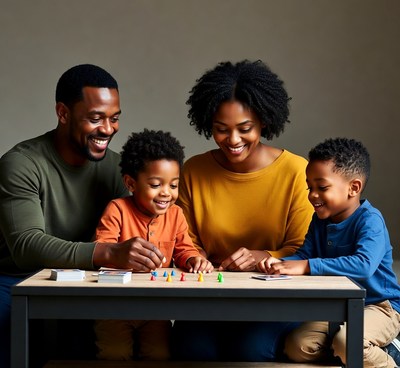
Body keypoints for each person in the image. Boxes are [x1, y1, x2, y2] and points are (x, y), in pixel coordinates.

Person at [0, 64, 165, 367]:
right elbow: (26, 247)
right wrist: (109, 252)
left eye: (114, 118)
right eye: (95, 118)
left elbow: (140, 227)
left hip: (88, 281)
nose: (108, 129)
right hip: (15, 280)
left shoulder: (118, 170)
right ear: (63, 113)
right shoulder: (21, 164)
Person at [172, 60, 314, 361]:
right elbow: (184, 238)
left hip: (276, 299)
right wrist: (195, 259)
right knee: (192, 351)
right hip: (209, 297)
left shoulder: (296, 172)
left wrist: (262, 257)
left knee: (249, 351)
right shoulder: (194, 171)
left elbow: (302, 248)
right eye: (221, 130)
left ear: (264, 121)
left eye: (244, 129)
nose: (233, 140)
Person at [258, 137, 400, 368]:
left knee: (349, 342)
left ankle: (390, 357)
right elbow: (305, 255)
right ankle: (352, 351)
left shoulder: (370, 220)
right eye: (310, 187)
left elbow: (363, 265)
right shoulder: (320, 219)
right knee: (297, 347)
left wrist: (306, 266)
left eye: (322, 188)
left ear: (353, 187)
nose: (312, 195)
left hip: (380, 306)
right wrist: (277, 262)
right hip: (338, 307)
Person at [94, 129, 213, 361]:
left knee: (158, 355)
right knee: (114, 355)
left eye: (173, 185)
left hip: (156, 309)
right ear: (131, 183)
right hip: (114, 307)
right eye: (156, 184)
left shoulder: (176, 214)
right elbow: (101, 249)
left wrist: (193, 259)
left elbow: (183, 249)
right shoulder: (117, 209)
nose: (166, 193)